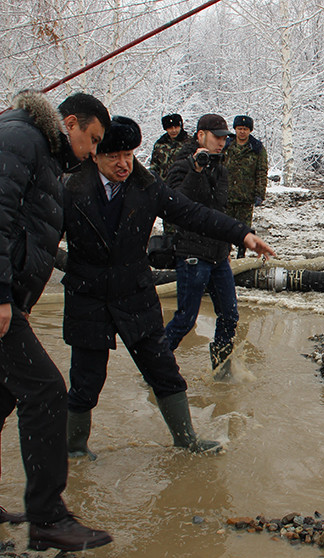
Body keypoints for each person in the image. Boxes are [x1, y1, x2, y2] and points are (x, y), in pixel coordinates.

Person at [0, 91, 113, 551]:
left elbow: (26, 229)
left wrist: (21, 291)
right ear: (69, 123)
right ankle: (48, 517)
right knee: (46, 390)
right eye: (91, 140)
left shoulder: (40, 151)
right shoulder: (20, 138)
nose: (93, 151)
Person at [62, 116, 275, 459]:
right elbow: (41, 237)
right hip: (88, 296)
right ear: (94, 155)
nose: (123, 164)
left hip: (135, 293)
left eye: (129, 155)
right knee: (86, 381)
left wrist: (242, 234)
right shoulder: (71, 189)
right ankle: (73, 450)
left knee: (164, 370)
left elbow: (194, 213)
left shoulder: (146, 186)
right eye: (114, 156)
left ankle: (186, 438)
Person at [163, 114, 248, 372]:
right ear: (201, 136)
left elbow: (218, 208)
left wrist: (230, 244)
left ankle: (222, 369)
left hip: (218, 253)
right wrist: (196, 169)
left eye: (225, 138)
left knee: (230, 315)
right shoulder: (181, 165)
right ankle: (157, 364)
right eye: (217, 137)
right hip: (191, 251)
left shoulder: (221, 168)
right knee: (186, 319)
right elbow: (176, 204)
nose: (222, 143)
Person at [223, 115, 268, 253]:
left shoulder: (256, 148)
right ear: (235, 129)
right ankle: (224, 254)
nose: (242, 132)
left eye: (245, 129)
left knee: (243, 229)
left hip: (245, 196)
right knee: (225, 227)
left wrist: (259, 194)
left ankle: (241, 254)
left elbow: (261, 172)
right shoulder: (226, 145)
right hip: (226, 195)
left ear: (250, 130)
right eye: (239, 128)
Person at [148, 113, 188, 178]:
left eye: (176, 127)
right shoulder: (159, 145)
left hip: (183, 183)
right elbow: (154, 166)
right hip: (163, 183)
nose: (174, 130)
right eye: (170, 128)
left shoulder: (189, 143)